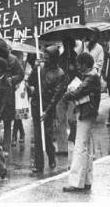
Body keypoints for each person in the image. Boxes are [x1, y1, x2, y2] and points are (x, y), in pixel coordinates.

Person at [61, 52, 101, 193]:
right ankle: (86, 180)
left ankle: (76, 182)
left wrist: (67, 94)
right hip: (88, 113)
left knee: (80, 147)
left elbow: (78, 92)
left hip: (86, 113)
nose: (77, 66)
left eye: (79, 64)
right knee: (86, 147)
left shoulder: (91, 77)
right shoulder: (92, 76)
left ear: (85, 64)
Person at [27, 45, 67, 174]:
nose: (45, 60)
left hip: (48, 107)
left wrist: (47, 111)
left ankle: (51, 155)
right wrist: (35, 68)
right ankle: (39, 164)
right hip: (36, 104)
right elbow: (31, 81)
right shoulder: (40, 68)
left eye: (48, 58)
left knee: (47, 135)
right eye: (44, 58)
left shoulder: (60, 74)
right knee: (38, 135)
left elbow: (56, 96)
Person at [0, 38, 24, 155]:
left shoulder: (13, 60)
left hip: (8, 93)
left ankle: (6, 147)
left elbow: (21, 74)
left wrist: (12, 80)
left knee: (7, 120)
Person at [56, 35, 79, 150]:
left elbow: (80, 75)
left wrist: (73, 68)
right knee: (61, 120)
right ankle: (62, 147)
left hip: (72, 92)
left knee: (71, 119)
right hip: (61, 92)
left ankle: (74, 136)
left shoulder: (76, 58)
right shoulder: (60, 58)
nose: (67, 47)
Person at [12, 51, 29, 147]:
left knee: (18, 113)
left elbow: (27, 77)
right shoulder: (10, 64)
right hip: (13, 88)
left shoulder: (25, 65)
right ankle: (21, 132)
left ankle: (14, 135)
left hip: (21, 90)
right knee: (15, 114)